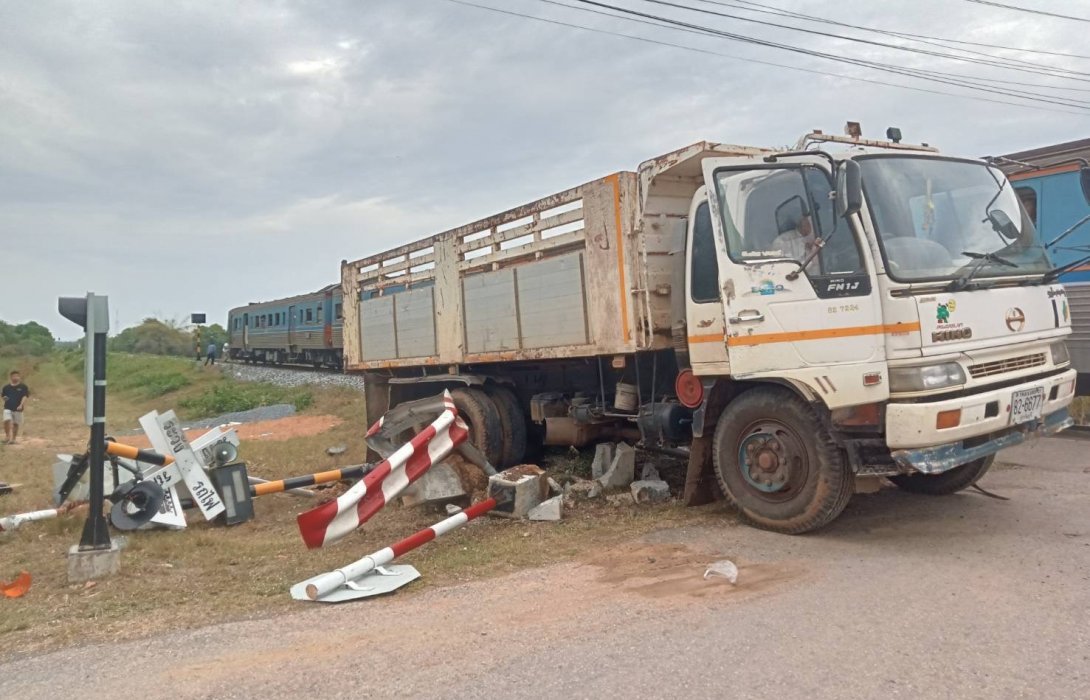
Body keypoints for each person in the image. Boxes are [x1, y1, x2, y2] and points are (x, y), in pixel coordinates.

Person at [2, 370, 30, 445]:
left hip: (18, 408)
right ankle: (7, 436)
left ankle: (13, 439)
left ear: (19, 377)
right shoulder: (6, 387)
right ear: (11, 377)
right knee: (6, 420)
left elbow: (25, 396)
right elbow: (3, 396)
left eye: (17, 376)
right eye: (14, 376)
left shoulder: (23, 387)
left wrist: (21, 405)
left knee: (15, 423)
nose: (15, 377)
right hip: (7, 407)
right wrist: (5, 399)